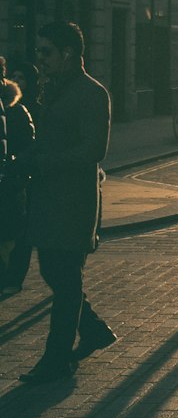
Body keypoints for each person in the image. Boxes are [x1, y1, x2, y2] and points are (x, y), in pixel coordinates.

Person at [20, 22, 114, 385]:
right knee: (54, 274)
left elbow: (95, 150)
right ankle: (92, 331)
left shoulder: (92, 93)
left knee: (66, 279)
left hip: (73, 203)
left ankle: (56, 359)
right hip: (48, 199)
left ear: (68, 54)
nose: (39, 59)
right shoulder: (56, 88)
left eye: (45, 51)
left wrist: (43, 162)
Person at [0, 73, 35, 297]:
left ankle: (11, 278)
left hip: (11, 183)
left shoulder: (18, 111)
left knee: (12, 236)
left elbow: (29, 147)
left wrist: (15, 167)